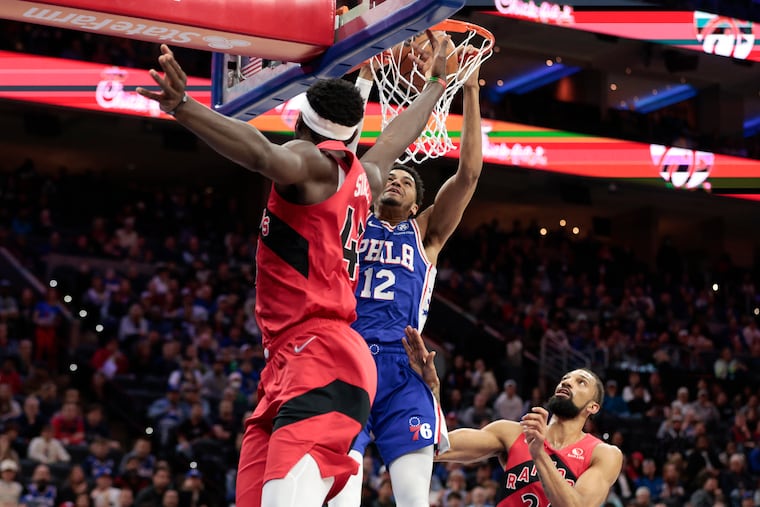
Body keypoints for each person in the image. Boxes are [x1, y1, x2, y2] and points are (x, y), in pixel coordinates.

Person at [138, 32, 450, 507]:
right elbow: (395, 136)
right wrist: (433, 85)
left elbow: (265, 155)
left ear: (303, 126)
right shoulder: (366, 175)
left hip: (323, 353)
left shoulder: (310, 161)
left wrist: (184, 106)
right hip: (290, 359)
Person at [330, 55, 483, 507]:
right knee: (342, 494)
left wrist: (471, 90)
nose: (393, 180)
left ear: (418, 204)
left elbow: (469, 174)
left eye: (404, 181)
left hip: (406, 368)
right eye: (389, 177)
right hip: (349, 358)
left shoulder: (426, 234)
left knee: (414, 499)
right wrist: (362, 79)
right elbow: (344, 156)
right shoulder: (355, 219)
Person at [402, 327, 623, 507]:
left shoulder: (603, 454)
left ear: (593, 407)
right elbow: (434, 448)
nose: (567, 382)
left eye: (580, 382)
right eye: (565, 378)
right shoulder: (512, 433)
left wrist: (539, 454)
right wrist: (428, 389)